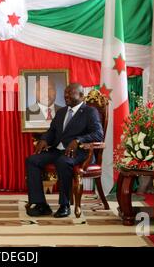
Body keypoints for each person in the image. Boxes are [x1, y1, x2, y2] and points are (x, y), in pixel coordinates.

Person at [25, 83, 103, 218]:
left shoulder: (90, 112)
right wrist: (44, 140)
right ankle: (41, 204)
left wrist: (78, 140)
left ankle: (64, 205)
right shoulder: (61, 112)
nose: (66, 96)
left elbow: (98, 134)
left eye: (70, 93)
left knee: (63, 162)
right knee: (32, 160)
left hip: (79, 153)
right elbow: (52, 131)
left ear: (81, 96)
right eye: (65, 93)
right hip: (57, 150)